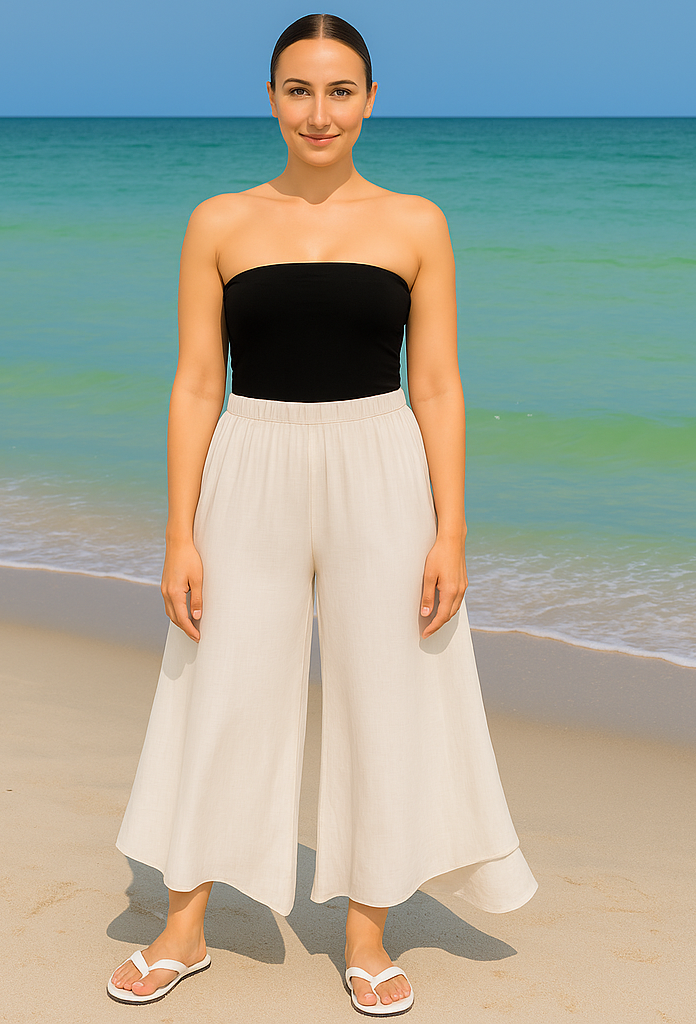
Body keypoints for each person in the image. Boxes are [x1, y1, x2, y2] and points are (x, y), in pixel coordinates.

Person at [107, 13, 537, 1016]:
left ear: (370, 100)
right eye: (298, 89)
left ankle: (367, 932)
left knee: (386, 692)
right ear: (270, 98)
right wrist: (178, 533)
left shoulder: (416, 223)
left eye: (339, 91)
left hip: (379, 462)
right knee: (217, 684)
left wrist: (451, 528)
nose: (318, 112)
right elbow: (196, 384)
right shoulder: (219, 221)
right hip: (248, 461)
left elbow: (437, 385)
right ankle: (184, 924)